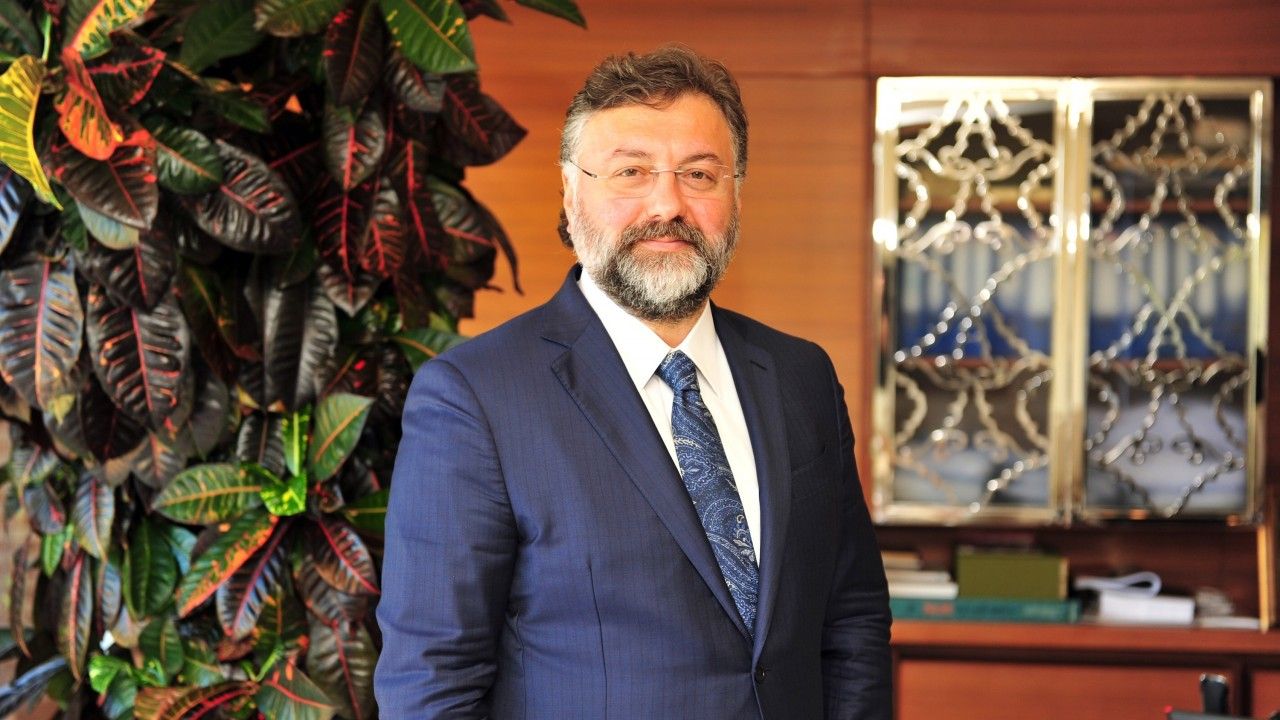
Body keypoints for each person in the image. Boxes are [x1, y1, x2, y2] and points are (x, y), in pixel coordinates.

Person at [374, 45, 892, 719]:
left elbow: (851, 621)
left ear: (735, 193)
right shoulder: (475, 397)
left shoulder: (801, 377)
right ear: (571, 192)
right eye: (631, 172)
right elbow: (433, 678)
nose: (667, 204)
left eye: (699, 174)